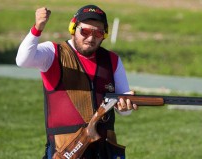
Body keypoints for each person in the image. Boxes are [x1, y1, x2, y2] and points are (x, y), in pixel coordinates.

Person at [16, 4, 137, 159]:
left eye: (98, 33)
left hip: (104, 150)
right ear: (73, 27)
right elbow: (22, 60)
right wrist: (37, 28)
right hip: (66, 150)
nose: (91, 38)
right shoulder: (54, 53)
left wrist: (126, 105)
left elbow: (124, 111)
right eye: (85, 31)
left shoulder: (112, 60)